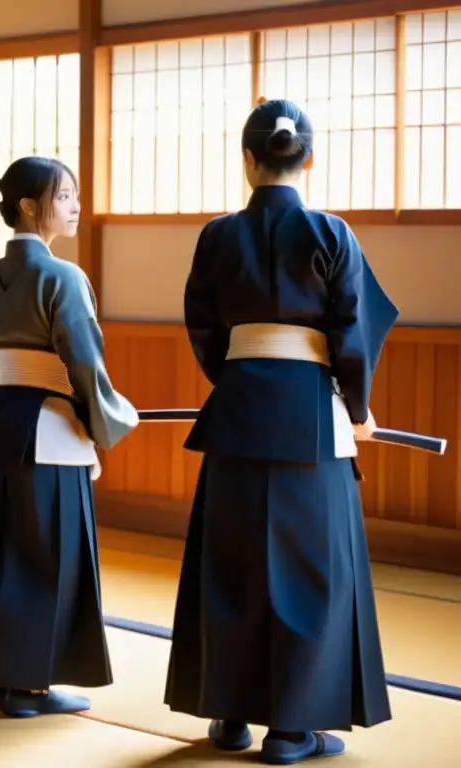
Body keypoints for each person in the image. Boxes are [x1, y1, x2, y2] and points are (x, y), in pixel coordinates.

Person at [163, 98, 397, 765]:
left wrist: (238, 380)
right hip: (309, 418)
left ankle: (229, 713)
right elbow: (352, 331)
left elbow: (202, 327)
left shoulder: (217, 235)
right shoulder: (331, 233)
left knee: (231, 563)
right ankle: (292, 729)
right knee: (307, 572)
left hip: (237, 412)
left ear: (247, 160)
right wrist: (356, 405)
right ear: (310, 158)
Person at [0, 155, 140, 718]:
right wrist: (109, 419)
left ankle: (0, 679)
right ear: (27, 206)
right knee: (47, 555)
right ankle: (30, 684)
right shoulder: (64, 278)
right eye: (64, 196)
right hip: (50, 423)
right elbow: (85, 363)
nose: (75, 206)